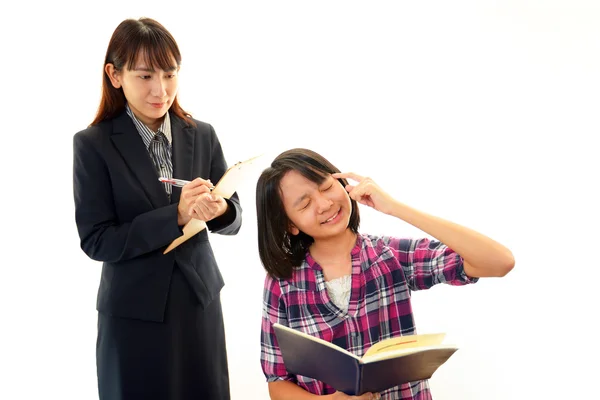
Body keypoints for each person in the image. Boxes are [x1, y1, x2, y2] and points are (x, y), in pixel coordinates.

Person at [256, 148, 514, 400]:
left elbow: (499, 262)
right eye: (305, 204)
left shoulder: (389, 255)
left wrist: (394, 207)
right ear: (290, 224)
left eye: (326, 187)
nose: (324, 204)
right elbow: (277, 382)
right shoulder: (283, 283)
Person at [72, 17, 241, 400]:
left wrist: (221, 212)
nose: (160, 90)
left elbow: (235, 218)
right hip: (133, 314)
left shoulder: (201, 133)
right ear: (115, 75)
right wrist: (177, 216)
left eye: (170, 74)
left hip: (198, 304)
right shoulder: (93, 144)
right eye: (145, 76)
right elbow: (96, 240)